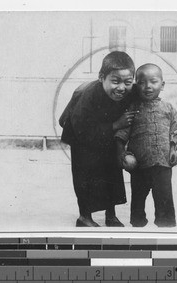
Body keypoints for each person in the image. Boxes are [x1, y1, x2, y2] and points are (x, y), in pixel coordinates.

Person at [59, 51, 139, 227]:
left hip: (106, 137)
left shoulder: (129, 92)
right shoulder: (89, 95)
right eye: (115, 81)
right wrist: (115, 125)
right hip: (81, 138)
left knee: (112, 174)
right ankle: (84, 217)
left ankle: (111, 215)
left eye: (127, 82)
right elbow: (81, 128)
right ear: (102, 77)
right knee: (85, 177)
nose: (121, 88)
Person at [115, 63, 177, 228]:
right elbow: (121, 134)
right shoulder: (133, 108)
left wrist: (173, 149)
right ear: (136, 85)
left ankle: (166, 226)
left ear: (162, 84)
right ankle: (138, 226)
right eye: (142, 82)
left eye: (153, 81)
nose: (148, 86)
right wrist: (122, 154)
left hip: (163, 163)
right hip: (139, 164)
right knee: (138, 198)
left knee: (164, 197)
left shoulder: (168, 108)